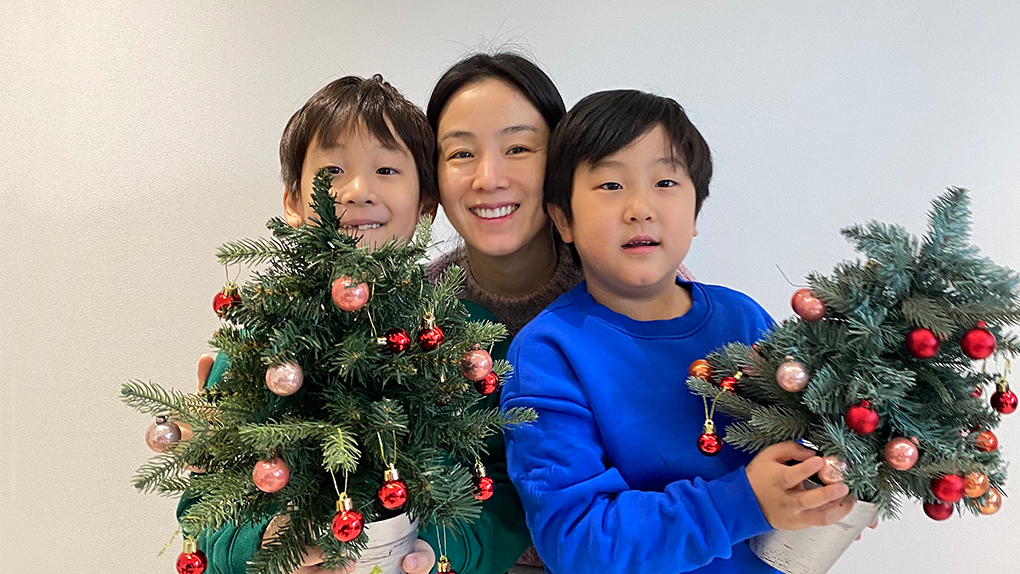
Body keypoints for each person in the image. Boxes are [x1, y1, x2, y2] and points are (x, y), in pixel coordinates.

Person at [500, 89, 855, 573]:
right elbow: (575, 540)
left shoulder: (742, 319)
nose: (639, 208)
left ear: (695, 214)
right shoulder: (548, 352)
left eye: (665, 181)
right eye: (610, 185)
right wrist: (739, 503)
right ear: (563, 219)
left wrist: (834, 486)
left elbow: (805, 441)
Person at [422, 52, 697, 574]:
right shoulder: (418, 318)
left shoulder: (636, 279)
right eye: (460, 153)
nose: (488, 178)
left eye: (518, 148)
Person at [178, 74, 439, 574]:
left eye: (386, 169)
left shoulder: (446, 337)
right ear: (294, 203)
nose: (358, 191)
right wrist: (260, 546)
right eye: (333, 171)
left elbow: (490, 484)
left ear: (427, 204)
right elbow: (202, 503)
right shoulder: (260, 338)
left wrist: (446, 548)